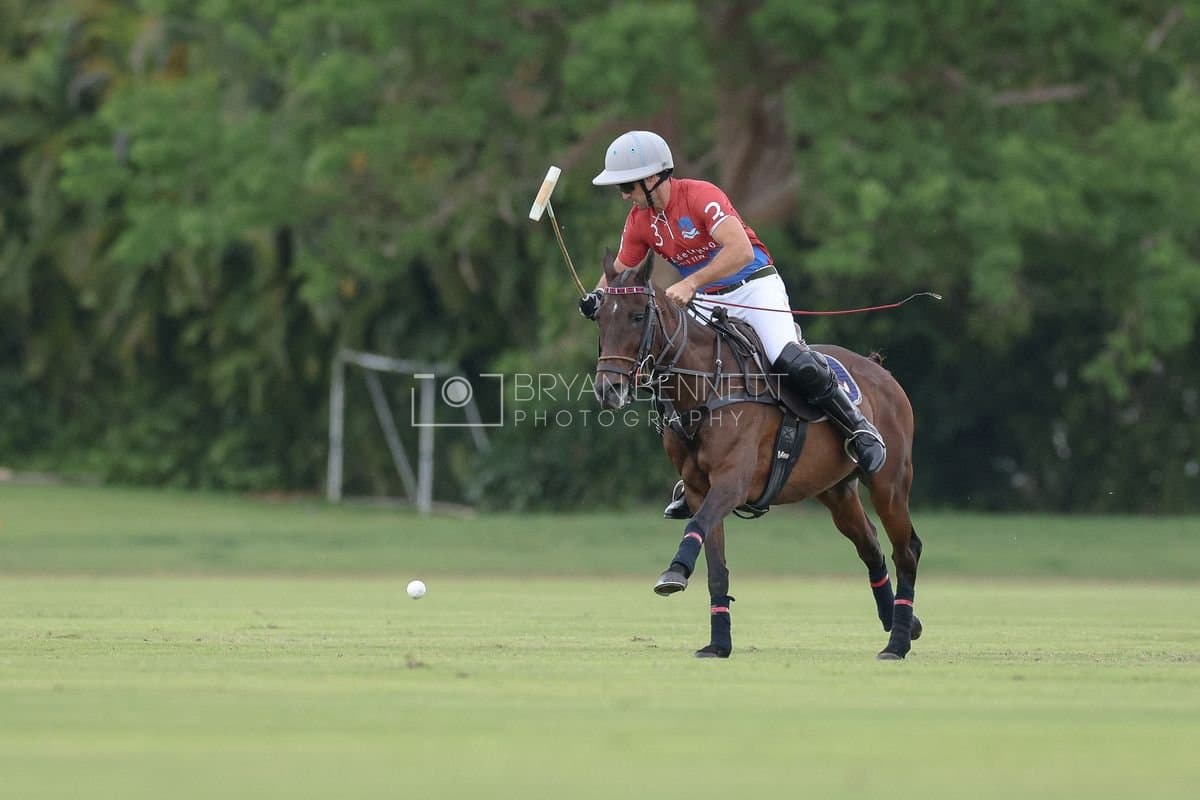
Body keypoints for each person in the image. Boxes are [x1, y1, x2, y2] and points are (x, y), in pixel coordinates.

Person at [581, 130, 886, 519]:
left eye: (627, 186)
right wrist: (598, 298)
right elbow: (619, 274)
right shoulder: (640, 221)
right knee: (671, 368)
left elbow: (740, 250)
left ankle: (859, 430)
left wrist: (691, 282)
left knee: (788, 358)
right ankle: (694, 475)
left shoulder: (700, 196)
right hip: (706, 297)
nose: (624, 195)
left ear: (653, 178)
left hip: (753, 286)